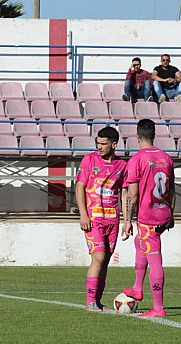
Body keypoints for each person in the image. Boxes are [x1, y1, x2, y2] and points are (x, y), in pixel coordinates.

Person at [122, 119, 175, 317]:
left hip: (148, 217)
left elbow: (132, 195)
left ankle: (158, 307)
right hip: (163, 213)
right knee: (140, 243)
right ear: (154, 135)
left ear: (137, 136)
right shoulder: (166, 158)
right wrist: (172, 213)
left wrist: (127, 221)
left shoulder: (136, 160)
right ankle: (137, 287)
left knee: (154, 258)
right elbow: (172, 189)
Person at [75, 127, 128, 311]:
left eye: (103, 144)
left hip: (112, 219)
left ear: (114, 144)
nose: (99, 147)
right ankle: (90, 302)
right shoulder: (89, 160)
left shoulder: (122, 165)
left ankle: (97, 301)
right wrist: (83, 214)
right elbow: (80, 187)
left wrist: (127, 219)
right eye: (97, 143)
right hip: (94, 218)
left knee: (105, 260)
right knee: (97, 258)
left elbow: (125, 193)